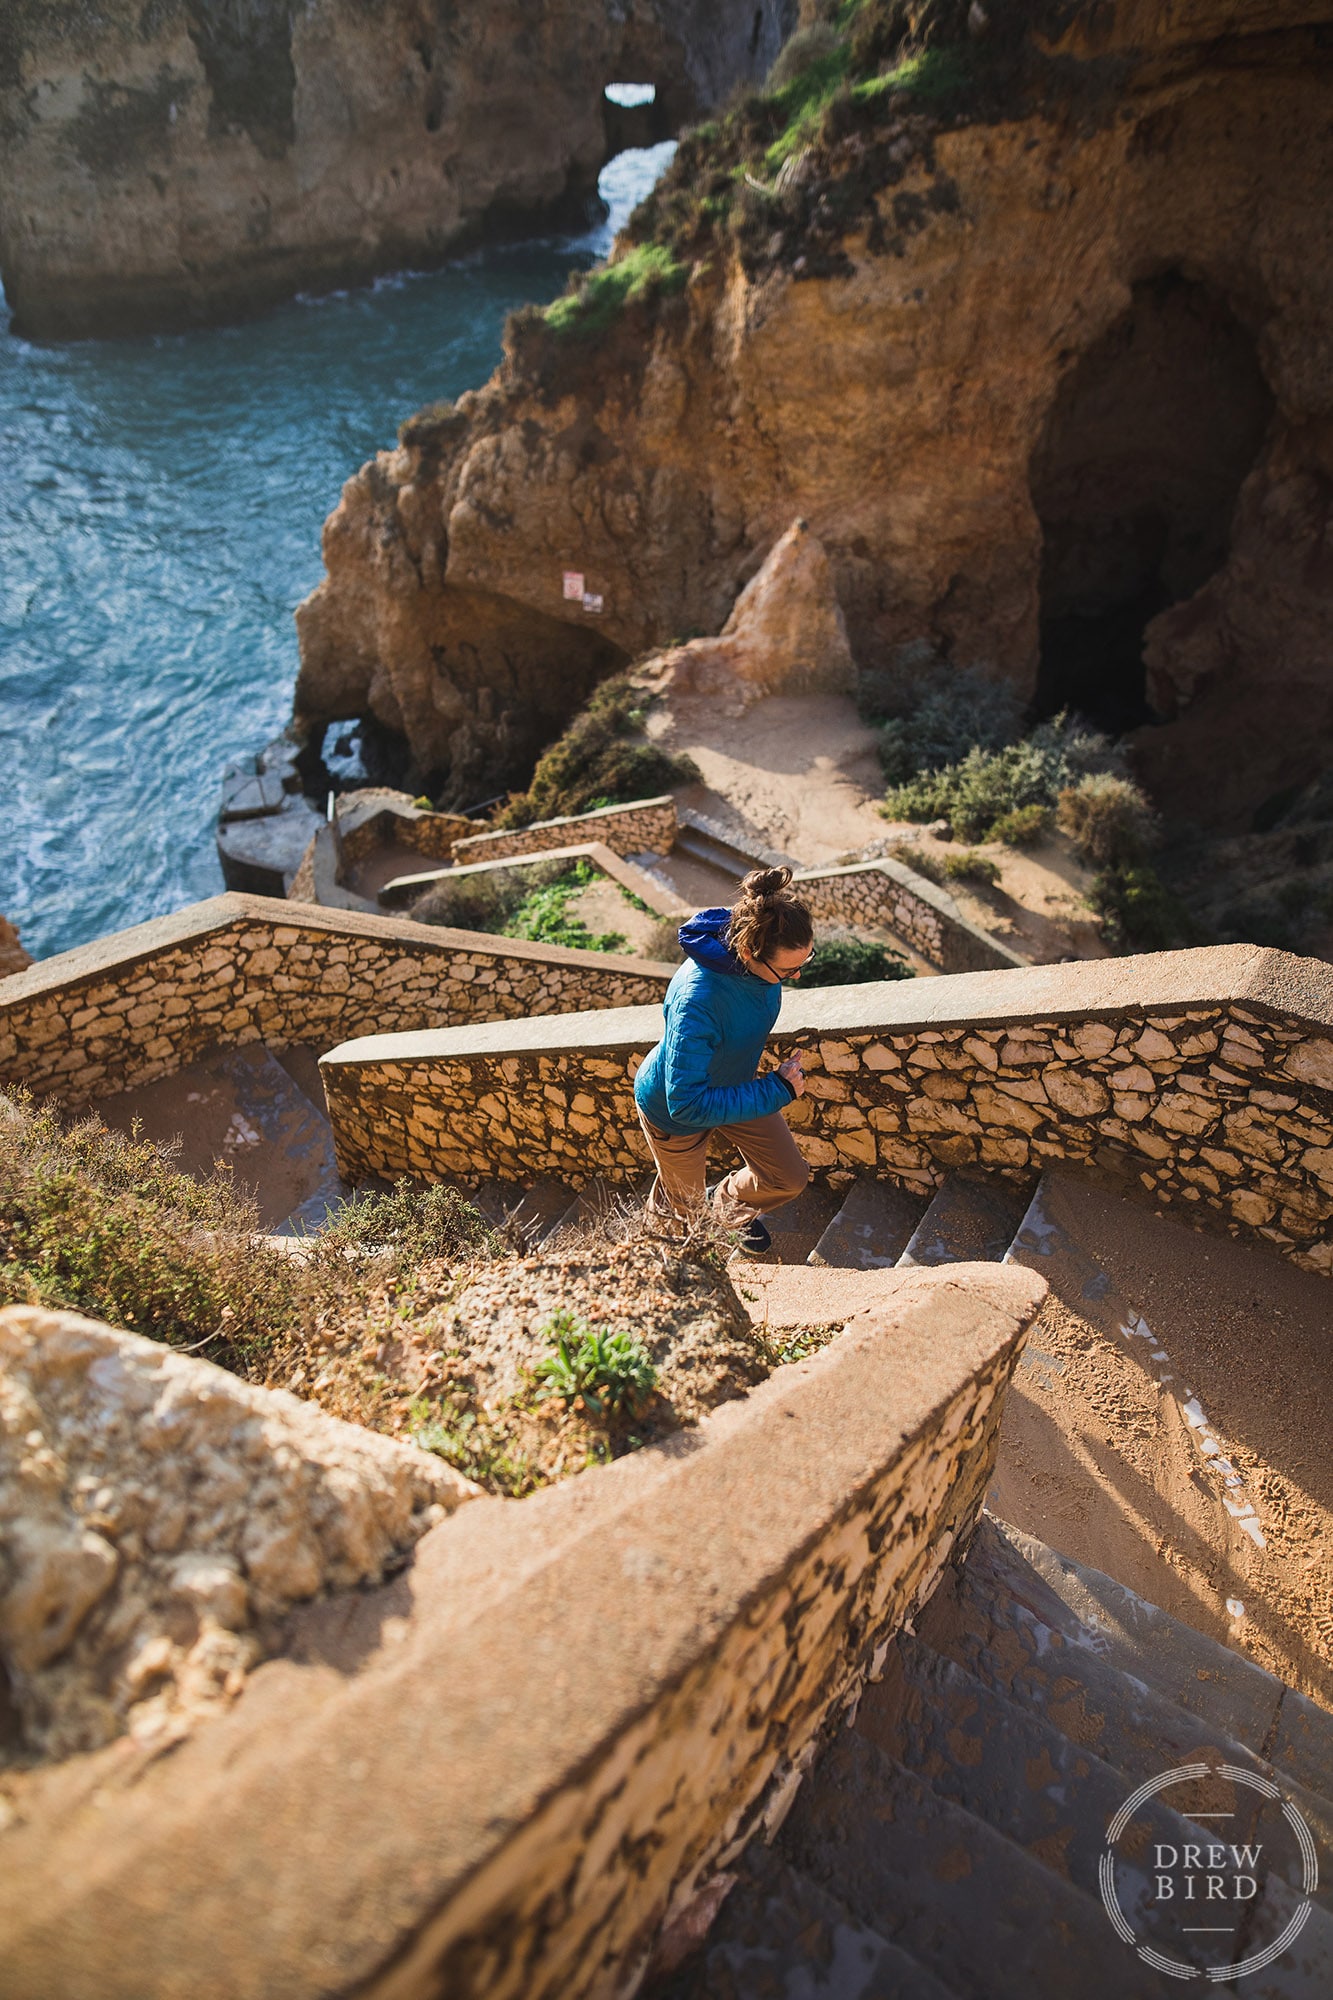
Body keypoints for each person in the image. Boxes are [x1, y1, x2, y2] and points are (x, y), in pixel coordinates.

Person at [633, 865, 814, 1254]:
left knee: (788, 1178)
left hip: (733, 1087)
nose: (796, 976)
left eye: (805, 961)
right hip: (673, 1111)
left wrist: (765, 1087)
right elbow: (686, 1103)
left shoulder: (759, 963)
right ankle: (654, 1266)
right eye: (788, 969)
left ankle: (724, 1204)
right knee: (682, 1221)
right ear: (749, 952)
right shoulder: (698, 1000)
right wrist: (776, 1089)